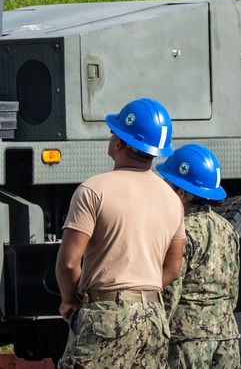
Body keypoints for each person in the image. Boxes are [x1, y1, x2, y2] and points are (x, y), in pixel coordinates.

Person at [55, 97, 186, 369]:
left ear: (119, 143)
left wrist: (70, 300)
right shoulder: (172, 199)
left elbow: (69, 263)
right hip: (153, 318)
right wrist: (139, 295)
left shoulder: (93, 190)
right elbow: (173, 269)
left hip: (104, 316)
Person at [157, 144, 241, 369]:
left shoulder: (180, 231)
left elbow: (170, 290)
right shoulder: (228, 229)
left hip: (187, 339)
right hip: (226, 336)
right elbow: (232, 291)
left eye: (167, 184)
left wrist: (155, 330)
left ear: (181, 193)